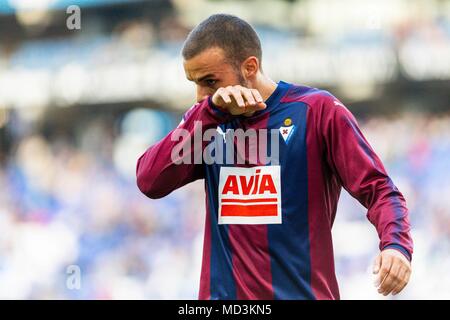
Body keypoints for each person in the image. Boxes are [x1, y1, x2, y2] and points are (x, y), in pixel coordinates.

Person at [136, 14, 413, 300]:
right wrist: (208, 115)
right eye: (194, 82)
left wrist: (396, 245)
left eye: (210, 81)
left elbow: (379, 189)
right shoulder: (207, 122)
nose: (200, 95)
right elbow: (149, 180)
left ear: (250, 67)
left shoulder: (316, 111)